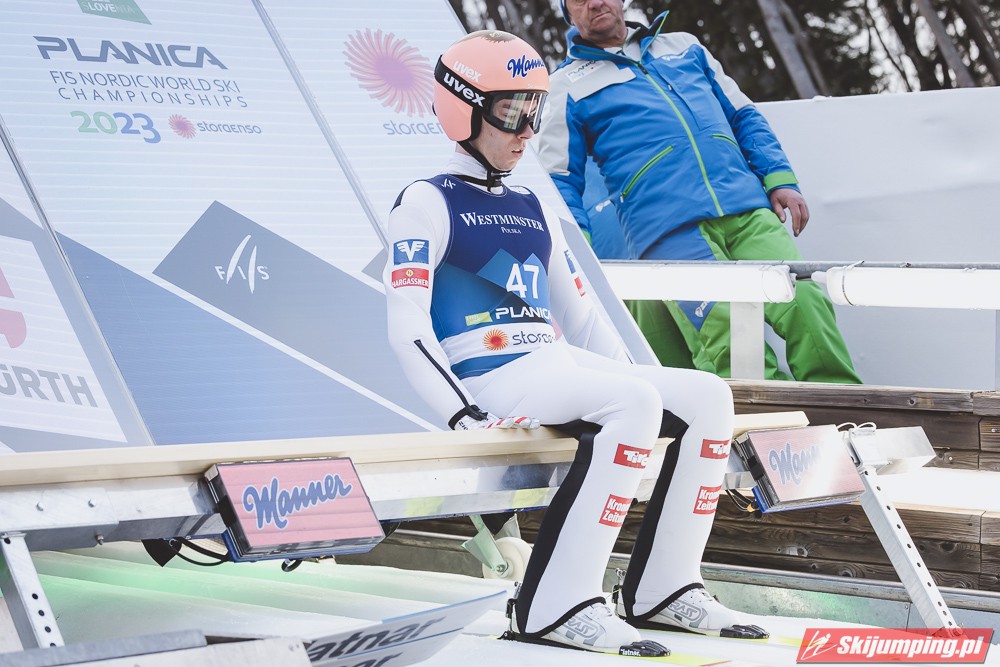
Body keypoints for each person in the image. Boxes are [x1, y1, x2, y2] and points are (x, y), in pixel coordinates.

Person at [383, 29, 766, 655]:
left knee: (707, 396)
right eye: (510, 112)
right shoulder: (426, 201)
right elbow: (408, 326)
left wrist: (642, 382)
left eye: (534, 111)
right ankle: (554, 605)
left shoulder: (533, 205)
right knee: (632, 404)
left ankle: (665, 589)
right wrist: (461, 414)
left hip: (550, 364)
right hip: (489, 377)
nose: (525, 130)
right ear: (463, 109)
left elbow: (585, 321)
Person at [537, 0, 862, 384]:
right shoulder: (564, 85)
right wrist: (577, 254)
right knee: (730, 340)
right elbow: (559, 179)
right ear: (569, 14)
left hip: (746, 207)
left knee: (807, 304)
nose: (594, 2)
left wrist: (779, 179)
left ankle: (845, 407)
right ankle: (769, 422)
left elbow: (743, 115)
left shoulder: (685, 46)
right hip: (668, 232)